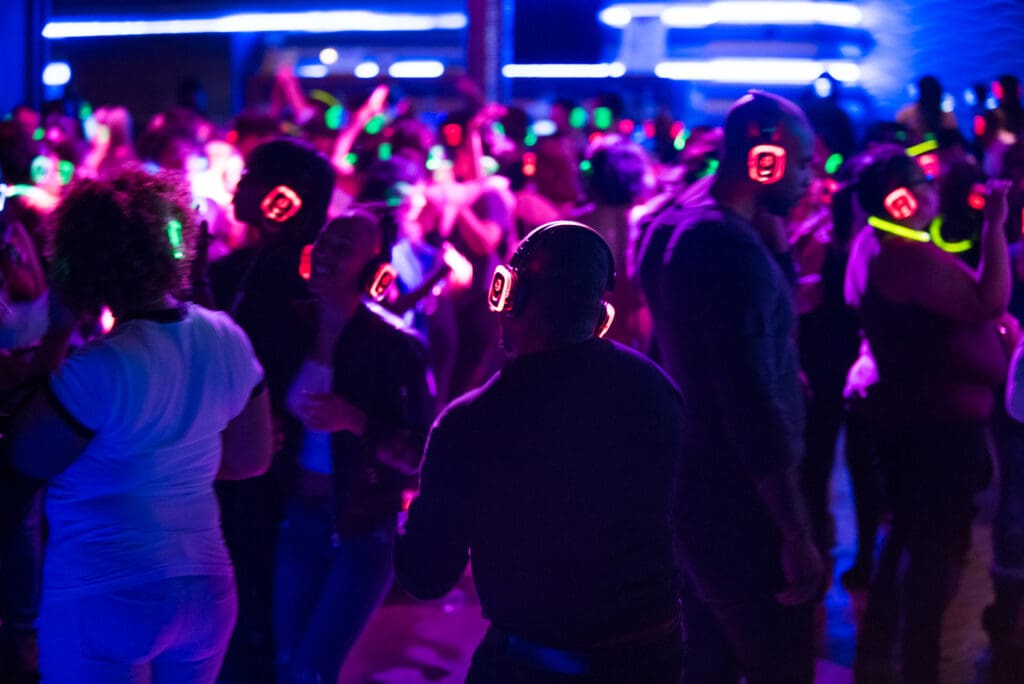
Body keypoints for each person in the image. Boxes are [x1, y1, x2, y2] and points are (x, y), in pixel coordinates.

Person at [3, 167, 272, 682]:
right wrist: (172, 467)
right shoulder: (226, 337)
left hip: (102, 585)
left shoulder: (97, 368)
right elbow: (251, 458)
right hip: (206, 585)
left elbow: (24, 457)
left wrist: (58, 334)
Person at [395, 221, 686, 683]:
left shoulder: (471, 422)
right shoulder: (656, 389)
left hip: (532, 661)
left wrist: (404, 507)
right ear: (600, 312)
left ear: (510, 294)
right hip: (653, 651)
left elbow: (427, 576)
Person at [642, 91, 821, 683]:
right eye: (799, 163)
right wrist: (794, 529)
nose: (807, 177)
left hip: (692, 483)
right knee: (781, 661)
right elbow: (746, 400)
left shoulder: (676, 223)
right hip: (740, 497)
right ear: (763, 160)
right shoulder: (725, 247)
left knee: (706, 660)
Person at [844, 145, 1012, 683]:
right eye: (918, 183)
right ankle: (918, 664)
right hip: (935, 429)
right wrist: (994, 227)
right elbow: (990, 299)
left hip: (917, 423)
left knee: (911, 536)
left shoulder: (881, 247)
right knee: (934, 551)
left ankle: (882, 653)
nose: (928, 192)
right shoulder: (905, 255)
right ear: (899, 197)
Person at [273, 209, 433, 683]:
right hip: (297, 515)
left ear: (372, 267)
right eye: (325, 241)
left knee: (312, 669)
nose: (326, 254)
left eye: (343, 247)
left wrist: (355, 421)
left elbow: (420, 453)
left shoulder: (398, 348)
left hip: (363, 529)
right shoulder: (288, 326)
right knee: (287, 664)